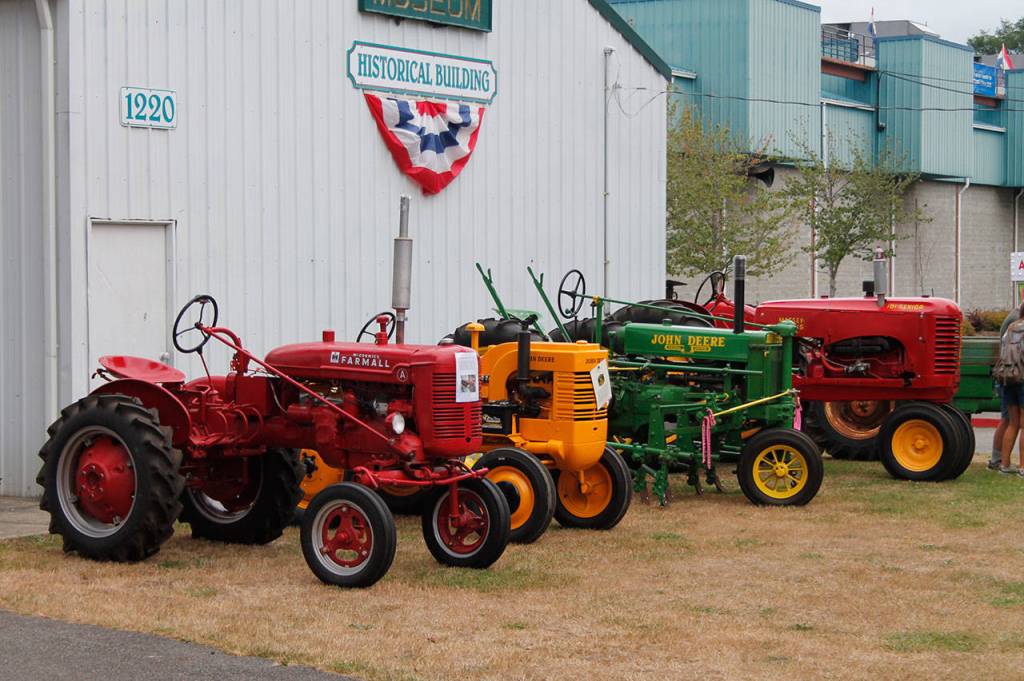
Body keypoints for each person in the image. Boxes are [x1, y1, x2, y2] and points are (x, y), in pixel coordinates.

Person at [990, 307, 1022, 470]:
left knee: (1009, 421)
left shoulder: (1010, 326)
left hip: (1007, 376)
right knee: (1014, 422)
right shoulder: (1019, 325)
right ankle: (1017, 466)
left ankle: (1001, 461)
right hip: (1020, 377)